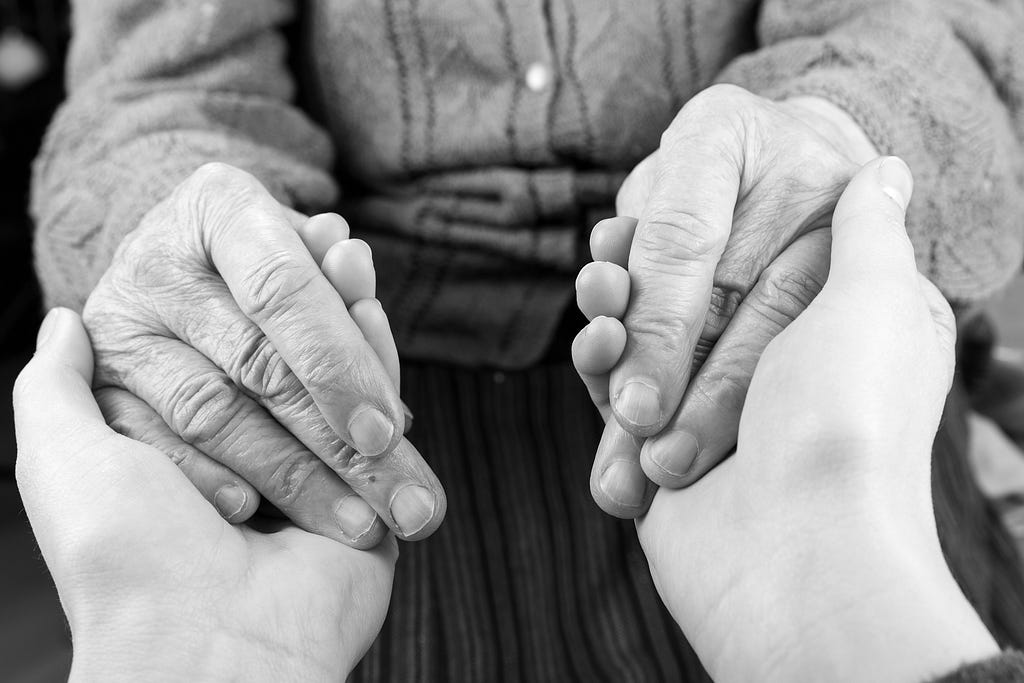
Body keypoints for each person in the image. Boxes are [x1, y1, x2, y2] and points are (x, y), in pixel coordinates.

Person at [30, 0, 1024, 677]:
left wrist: (837, 145)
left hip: (768, 340)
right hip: (360, 402)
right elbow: (151, 84)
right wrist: (201, 256)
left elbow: (928, 26)